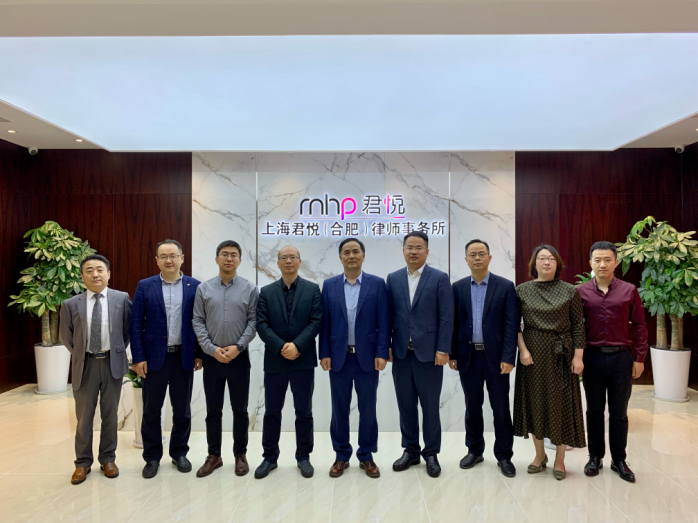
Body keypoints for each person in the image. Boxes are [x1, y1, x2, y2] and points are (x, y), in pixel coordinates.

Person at [130, 239, 203, 479]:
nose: (169, 260)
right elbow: (135, 324)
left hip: (183, 357)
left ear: (182, 258)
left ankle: (179, 453)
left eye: (173, 255)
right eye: (163, 256)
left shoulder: (195, 286)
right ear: (157, 260)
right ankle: (152, 457)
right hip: (153, 359)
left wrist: (199, 354)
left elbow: (200, 323)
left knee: (182, 410)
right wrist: (138, 357)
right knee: (151, 411)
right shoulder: (145, 286)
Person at [577, 241, 648, 483]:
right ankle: (595, 457)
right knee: (594, 411)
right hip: (592, 358)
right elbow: (576, 328)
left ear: (616, 262)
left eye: (607, 259)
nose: (602, 264)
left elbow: (639, 325)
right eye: (597, 260)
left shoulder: (629, 290)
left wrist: (639, 358)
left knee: (619, 413)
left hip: (621, 359)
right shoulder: (580, 292)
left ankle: (619, 460)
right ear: (590, 263)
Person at [319, 238, 390, 478]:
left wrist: (382, 353)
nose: (351, 256)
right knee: (339, 408)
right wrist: (324, 353)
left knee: (368, 408)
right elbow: (325, 323)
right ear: (340, 257)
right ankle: (341, 455)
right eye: (346, 252)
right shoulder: (329, 285)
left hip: (367, 358)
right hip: (338, 357)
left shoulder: (377, 284)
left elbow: (384, 322)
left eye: (356, 251)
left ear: (363, 256)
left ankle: (366, 455)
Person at [514, 244, 586, 480]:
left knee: (561, 405)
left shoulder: (570, 291)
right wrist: (523, 350)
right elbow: (514, 325)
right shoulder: (522, 290)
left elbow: (578, 325)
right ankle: (539, 455)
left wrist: (578, 356)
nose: (546, 262)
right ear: (534, 264)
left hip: (561, 355)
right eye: (542, 258)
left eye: (551, 259)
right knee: (535, 404)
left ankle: (560, 460)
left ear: (558, 264)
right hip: (532, 354)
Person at [59, 254, 132, 485]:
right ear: (82, 276)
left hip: (112, 364)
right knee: (84, 417)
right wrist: (82, 355)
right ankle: (82, 463)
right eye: (89, 270)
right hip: (85, 365)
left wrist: (116, 351)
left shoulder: (122, 299)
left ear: (109, 274)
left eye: (100, 270)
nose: (95, 274)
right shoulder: (71, 304)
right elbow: (66, 337)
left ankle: (108, 459)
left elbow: (128, 331)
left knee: (110, 415)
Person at [386, 231, 453, 478]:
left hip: (430, 354)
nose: (414, 251)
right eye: (409, 247)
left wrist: (443, 349)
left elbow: (447, 317)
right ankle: (411, 451)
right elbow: (388, 316)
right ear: (403, 250)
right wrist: (387, 346)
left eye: (419, 247)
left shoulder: (439, 278)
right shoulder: (393, 278)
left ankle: (431, 453)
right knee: (406, 405)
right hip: (401, 353)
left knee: (430, 406)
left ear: (427, 251)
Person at [450, 239, 518, 478]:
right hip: (468, 357)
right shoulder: (457, 287)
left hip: (497, 359)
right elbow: (453, 324)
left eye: (481, 254)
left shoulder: (505, 286)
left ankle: (504, 455)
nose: (477, 258)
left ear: (489, 257)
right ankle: (474, 450)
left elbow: (511, 325)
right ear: (466, 259)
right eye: (473, 254)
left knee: (500, 408)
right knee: (472, 407)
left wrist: (508, 357)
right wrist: (453, 354)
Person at [254, 246, 322, 479]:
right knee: (272, 411)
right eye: (284, 258)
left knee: (304, 411)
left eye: (293, 257)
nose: (289, 261)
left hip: (303, 360)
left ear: (300, 262)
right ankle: (269, 457)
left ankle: (303, 457)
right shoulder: (266, 291)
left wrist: (297, 346)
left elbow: (316, 321)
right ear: (278, 263)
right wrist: (282, 346)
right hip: (275, 360)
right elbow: (261, 324)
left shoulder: (312, 289)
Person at [192, 240, 259, 477]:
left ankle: (240, 454)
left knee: (240, 410)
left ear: (239, 260)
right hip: (212, 358)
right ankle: (214, 455)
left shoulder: (250, 289)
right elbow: (197, 320)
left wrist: (238, 347)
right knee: (213, 410)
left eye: (233, 255)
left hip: (239, 357)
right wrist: (211, 349)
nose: (229, 258)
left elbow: (254, 321)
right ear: (217, 259)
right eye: (224, 254)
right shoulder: (204, 289)